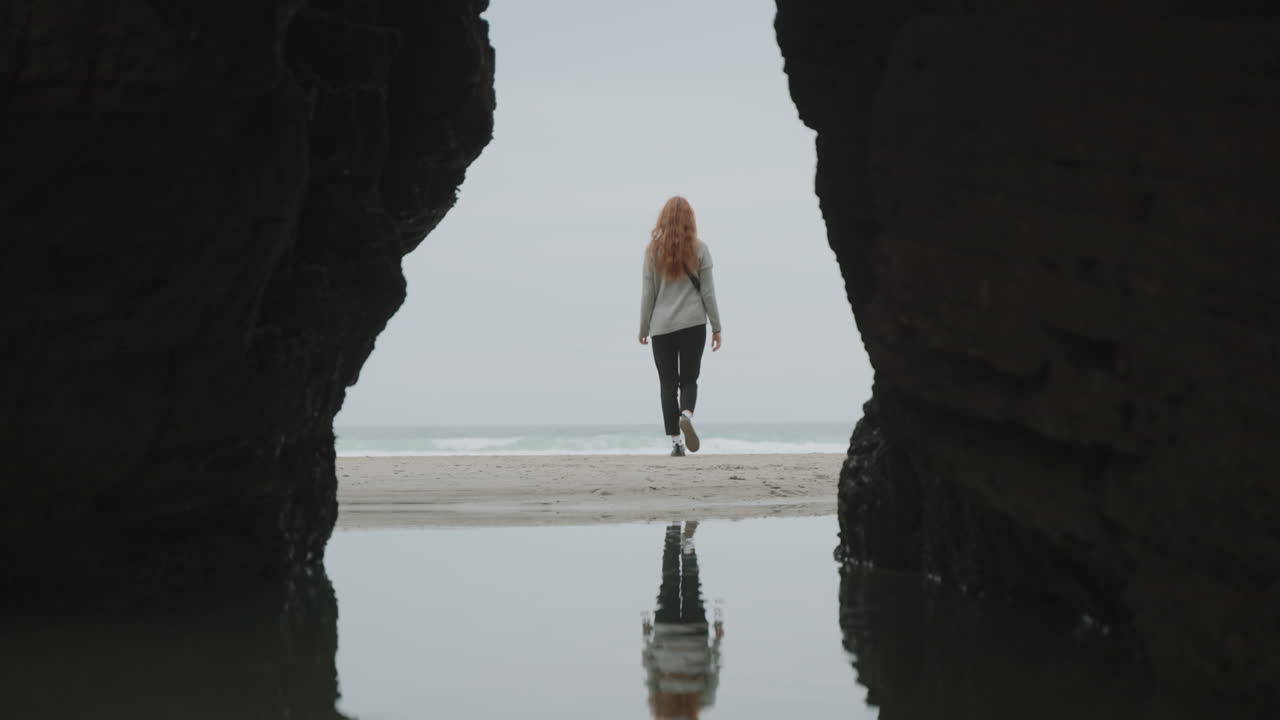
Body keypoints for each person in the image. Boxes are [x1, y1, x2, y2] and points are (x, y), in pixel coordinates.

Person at [638, 196, 723, 457]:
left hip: (661, 327)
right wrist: (717, 327)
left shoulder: (652, 251)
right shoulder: (700, 249)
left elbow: (648, 294)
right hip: (693, 324)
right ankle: (686, 414)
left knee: (667, 384)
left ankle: (676, 443)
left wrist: (643, 328)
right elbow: (708, 293)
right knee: (689, 379)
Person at [641, 521, 724, 720]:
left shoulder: (703, 701)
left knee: (692, 584)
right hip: (666, 633)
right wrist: (647, 635)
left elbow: (713, 667)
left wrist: (717, 637)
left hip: (695, 634)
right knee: (668, 580)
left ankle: (687, 546)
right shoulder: (658, 707)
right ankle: (672, 531)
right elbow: (650, 668)